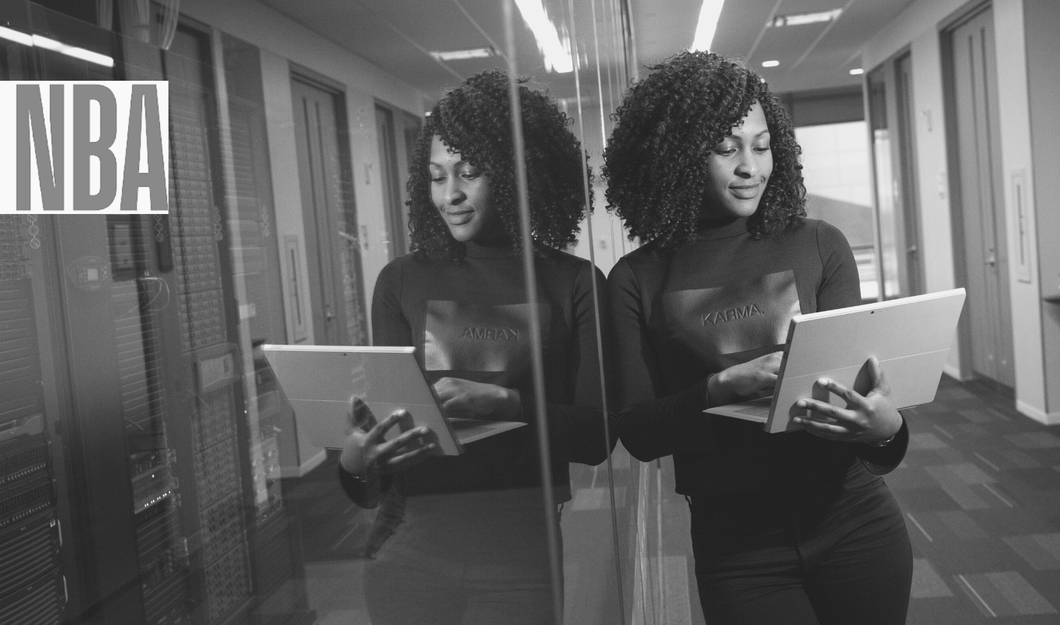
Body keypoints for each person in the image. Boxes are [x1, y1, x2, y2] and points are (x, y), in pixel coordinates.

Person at [602, 50, 912, 625]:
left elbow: (865, 399)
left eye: (762, 144)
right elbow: (638, 432)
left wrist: (887, 430)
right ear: (674, 158)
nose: (750, 166)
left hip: (854, 520)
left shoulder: (820, 244)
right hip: (737, 547)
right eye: (725, 148)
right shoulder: (636, 279)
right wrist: (718, 388)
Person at [337, 70, 614, 625]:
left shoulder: (574, 283)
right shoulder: (401, 281)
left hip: (520, 552)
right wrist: (355, 459)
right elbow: (376, 462)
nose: (450, 195)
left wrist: (504, 404)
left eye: (469, 174)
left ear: (519, 176)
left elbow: (597, 435)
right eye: (437, 177)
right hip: (405, 543)